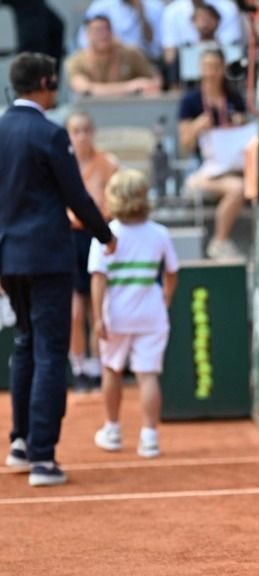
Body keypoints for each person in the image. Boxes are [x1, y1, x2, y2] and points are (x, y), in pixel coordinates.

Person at [0, 52, 116, 487]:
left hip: (9, 256)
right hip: (46, 256)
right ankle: (43, 457)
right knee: (49, 350)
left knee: (26, 343)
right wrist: (106, 234)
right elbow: (78, 197)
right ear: (46, 82)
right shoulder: (50, 135)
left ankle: (20, 442)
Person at [89, 169, 179, 459]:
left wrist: (98, 318)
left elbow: (98, 279)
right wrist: (164, 299)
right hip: (151, 315)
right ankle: (150, 437)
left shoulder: (105, 234)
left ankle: (112, 431)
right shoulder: (160, 233)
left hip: (116, 315)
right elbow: (172, 273)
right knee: (148, 375)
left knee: (112, 370)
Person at [66, 110, 120, 393]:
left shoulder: (108, 164)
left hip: (98, 237)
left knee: (96, 310)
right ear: (69, 135)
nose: (82, 136)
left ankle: (99, 367)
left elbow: (116, 201)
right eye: (76, 131)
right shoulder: (62, 163)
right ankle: (79, 369)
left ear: (93, 132)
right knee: (74, 312)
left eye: (86, 129)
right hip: (70, 238)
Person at [178, 47, 249, 260]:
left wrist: (239, 123)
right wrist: (197, 127)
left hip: (234, 166)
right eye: (207, 67)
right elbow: (185, 146)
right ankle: (220, 241)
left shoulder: (233, 97)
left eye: (215, 67)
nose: (211, 73)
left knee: (246, 184)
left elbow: (246, 136)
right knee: (237, 189)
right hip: (203, 169)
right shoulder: (190, 100)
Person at [65, 14, 163, 98]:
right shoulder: (77, 60)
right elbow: (85, 89)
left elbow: (154, 78)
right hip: (91, 110)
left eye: (106, 29)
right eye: (97, 30)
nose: (103, 35)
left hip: (129, 108)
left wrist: (151, 87)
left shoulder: (130, 53)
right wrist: (130, 86)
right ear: (88, 35)